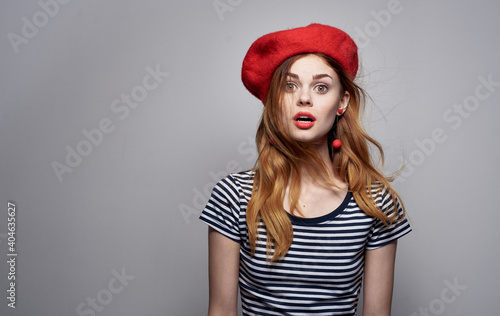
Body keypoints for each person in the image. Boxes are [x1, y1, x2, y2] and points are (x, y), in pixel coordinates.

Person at [199, 23, 412, 316]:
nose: (304, 98)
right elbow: (221, 310)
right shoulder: (233, 196)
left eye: (321, 87)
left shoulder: (374, 202)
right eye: (290, 85)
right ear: (274, 101)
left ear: (342, 102)